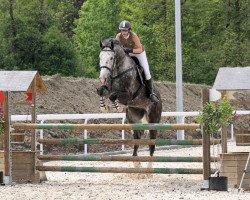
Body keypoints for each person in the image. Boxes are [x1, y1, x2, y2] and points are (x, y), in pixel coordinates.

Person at [115, 20, 159, 103]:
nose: (123, 32)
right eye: (122, 30)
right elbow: (116, 48)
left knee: (146, 72)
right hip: (128, 53)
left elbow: (139, 49)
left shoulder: (133, 36)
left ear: (128, 30)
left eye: (125, 30)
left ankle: (151, 94)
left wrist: (129, 50)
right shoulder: (118, 36)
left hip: (139, 53)